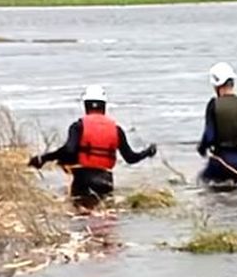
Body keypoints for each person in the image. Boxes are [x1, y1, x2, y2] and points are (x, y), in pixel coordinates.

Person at [28, 85, 157, 207]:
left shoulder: (78, 127)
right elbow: (131, 158)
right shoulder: (116, 130)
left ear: (86, 105)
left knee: (81, 214)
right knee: (105, 215)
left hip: (83, 181)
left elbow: (69, 150)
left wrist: (43, 158)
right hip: (105, 181)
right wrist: (147, 152)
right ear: (104, 106)